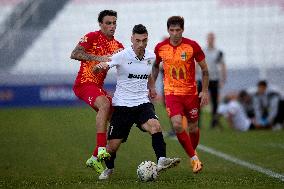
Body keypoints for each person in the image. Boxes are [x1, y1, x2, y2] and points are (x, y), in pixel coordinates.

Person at [94, 24, 181, 180]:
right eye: (138, 40)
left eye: (144, 40)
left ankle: (162, 160)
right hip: (122, 106)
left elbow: (149, 73)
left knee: (155, 126)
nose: (141, 44)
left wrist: (153, 87)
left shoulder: (151, 56)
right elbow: (108, 62)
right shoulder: (122, 55)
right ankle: (109, 168)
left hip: (142, 103)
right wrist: (101, 66)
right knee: (111, 147)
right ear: (132, 39)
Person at [151, 16, 209, 173]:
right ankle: (194, 159)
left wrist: (204, 91)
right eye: (172, 30)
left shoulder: (192, 46)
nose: (175, 33)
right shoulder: (160, 48)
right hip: (172, 93)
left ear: (182, 30)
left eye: (178, 30)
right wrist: (152, 86)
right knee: (177, 124)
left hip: (191, 94)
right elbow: (155, 66)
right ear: (168, 30)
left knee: (193, 128)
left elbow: (204, 70)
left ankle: (192, 153)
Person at [70, 10, 124, 174]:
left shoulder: (118, 46)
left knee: (118, 122)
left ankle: (94, 158)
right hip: (84, 84)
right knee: (105, 104)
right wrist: (100, 58)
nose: (112, 26)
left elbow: (128, 62)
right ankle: (101, 148)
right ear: (100, 24)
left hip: (98, 87)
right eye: (108, 23)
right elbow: (75, 54)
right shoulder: (92, 37)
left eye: (114, 23)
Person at [198, 32, 227, 128]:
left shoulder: (218, 52)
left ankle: (213, 123)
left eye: (212, 38)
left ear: (214, 39)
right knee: (198, 101)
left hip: (214, 79)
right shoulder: (202, 50)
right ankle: (197, 123)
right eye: (209, 38)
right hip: (202, 79)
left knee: (214, 102)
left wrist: (223, 79)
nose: (210, 40)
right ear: (207, 39)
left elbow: (222, 65)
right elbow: (196, 64)